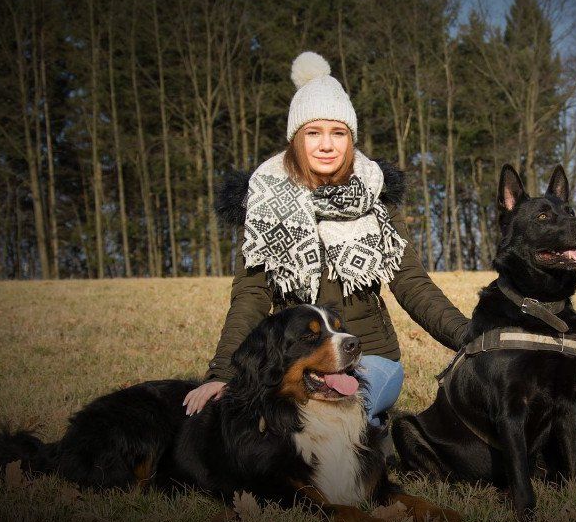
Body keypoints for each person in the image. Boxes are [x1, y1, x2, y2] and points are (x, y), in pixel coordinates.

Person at [183, 52, 469, 425]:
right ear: (295, 140)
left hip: (369, 357)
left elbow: (412, 283)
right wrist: (222, 373)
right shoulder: (266, 204)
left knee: (322, 421)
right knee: (261, 422)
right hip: (299, 361)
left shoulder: (376, 200)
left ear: (351, 139)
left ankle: (366, 431)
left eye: (338, 133)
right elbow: (251, 296)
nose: (326, 145)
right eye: (313, 133)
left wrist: (469, 336)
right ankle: (370, 434)